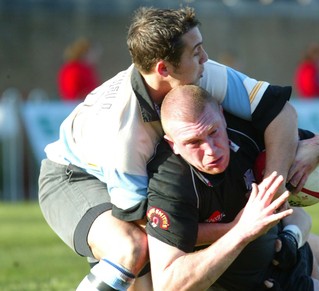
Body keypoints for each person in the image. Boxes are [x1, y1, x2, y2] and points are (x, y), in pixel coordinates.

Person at [39, 7, 302, 291]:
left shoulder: (199, 73)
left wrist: (271, 188)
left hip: (117, 173)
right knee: (131, 248)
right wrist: (239, 228)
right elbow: (146, 223)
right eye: (196, 51)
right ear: (164, 68)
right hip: (72, 177)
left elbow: (279, 113)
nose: (206, 58)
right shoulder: (121, 133)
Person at [148, 84, 319, 291]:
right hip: (253, 281)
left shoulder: (247, 136)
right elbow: (169, 285)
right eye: (194, 142)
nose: (211, 150)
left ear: (223, 117)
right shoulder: (170, 182)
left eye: (213, 132)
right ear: (173, 145)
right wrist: (242, 230)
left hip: (288, 257)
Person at [58, 37, 101, 101]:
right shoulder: (72, 70)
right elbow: (72, 96)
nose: (96, 56)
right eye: (93, 53)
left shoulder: (88, 69)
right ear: (85, 53)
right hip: (79, 106)